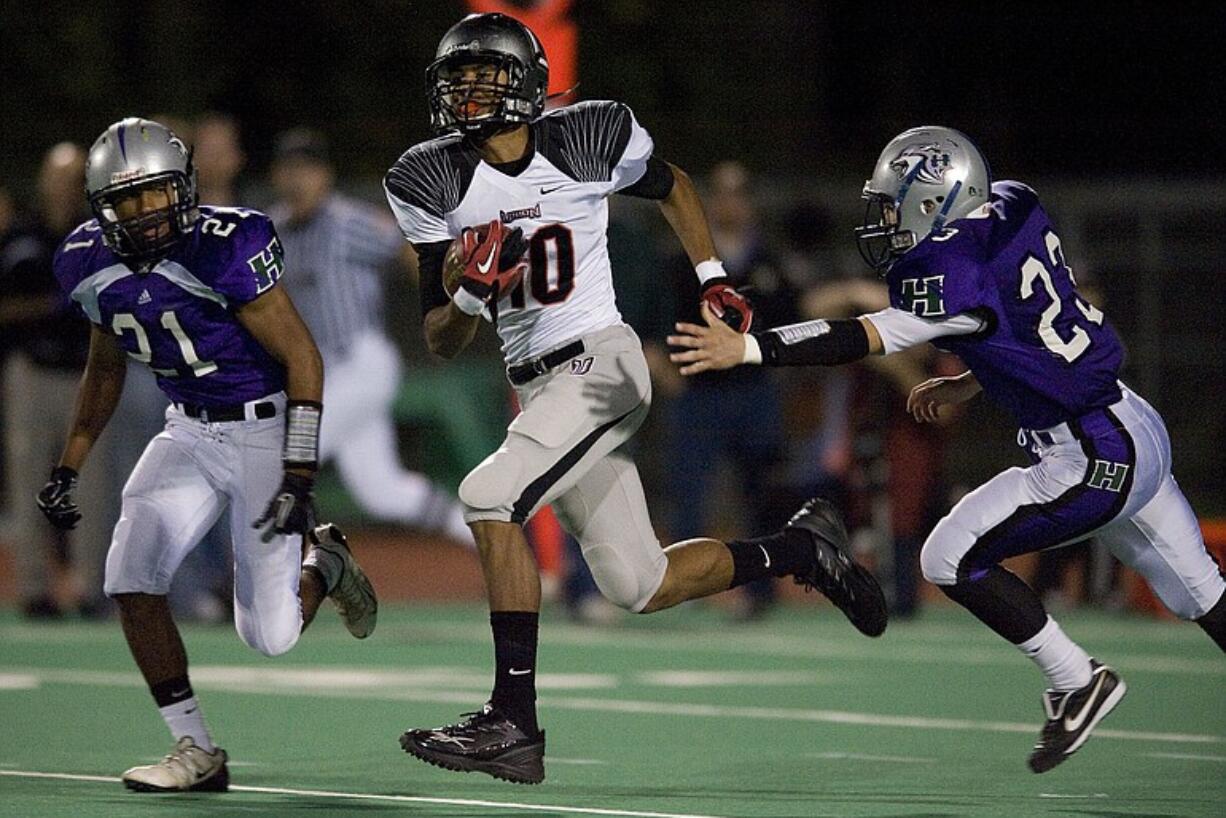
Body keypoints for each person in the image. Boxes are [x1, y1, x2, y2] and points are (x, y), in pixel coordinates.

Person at [384, 12, 887, 785]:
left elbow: (675, 185)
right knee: (638, 583)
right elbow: (441, 339)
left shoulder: (589, 134)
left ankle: (511, 722)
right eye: (456, 78)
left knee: (488, 495)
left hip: (604, 362)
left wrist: (715, 278)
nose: (467, 92)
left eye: (484, 75)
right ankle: (803, 548)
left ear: (525, 83)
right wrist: (472, 291)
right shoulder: (429, 177)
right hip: (539, 387)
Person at [668, 125, 1226, 774]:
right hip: (1133, 422)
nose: (884, 220)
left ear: (935, 203)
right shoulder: (1014, 201)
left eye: (893, 205)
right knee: (1203, 596)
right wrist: (973, 378)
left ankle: (1077, 679)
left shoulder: (945, 272)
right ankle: (1079, 679)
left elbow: (863, 335)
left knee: (948, 555)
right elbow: (1031, 314)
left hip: (1089, 456)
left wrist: (751, 347)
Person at [42, 117, 377, 793]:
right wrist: (70, 462)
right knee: (129, 576)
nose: (147, 212)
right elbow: (104, 366)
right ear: (103, 207)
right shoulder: (85, 261)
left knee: (270, 637)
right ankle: (194, 747)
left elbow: (301, 355)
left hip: (262, 425)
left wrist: (300, 468)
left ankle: (326, 562)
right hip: (188, 429)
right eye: (129, 200)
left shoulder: (225, 244)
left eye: (159, 194)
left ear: (185, 187)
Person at [269, 127, 470, 542]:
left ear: (325, 176)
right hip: (323, 374)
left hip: (362, 364)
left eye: (307, 169)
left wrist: (442, 308)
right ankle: (476, 528)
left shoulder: (348, 222)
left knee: (288, 455)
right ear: (275, 176)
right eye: (289, 169)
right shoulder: (274, 230)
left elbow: (408, 248)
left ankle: (275, 577)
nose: (297, 179)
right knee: (381, 490)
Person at [0, 143, 113, 618]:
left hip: (86, 373)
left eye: (73, 180)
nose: (64, 188)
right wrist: (47, 305)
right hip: (33, 370)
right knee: (28, 487)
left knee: (91, 490)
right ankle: (34, 589)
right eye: (57, 177)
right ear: (43, 180)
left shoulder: (99, 238)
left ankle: (89, 590)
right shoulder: (19, 237)